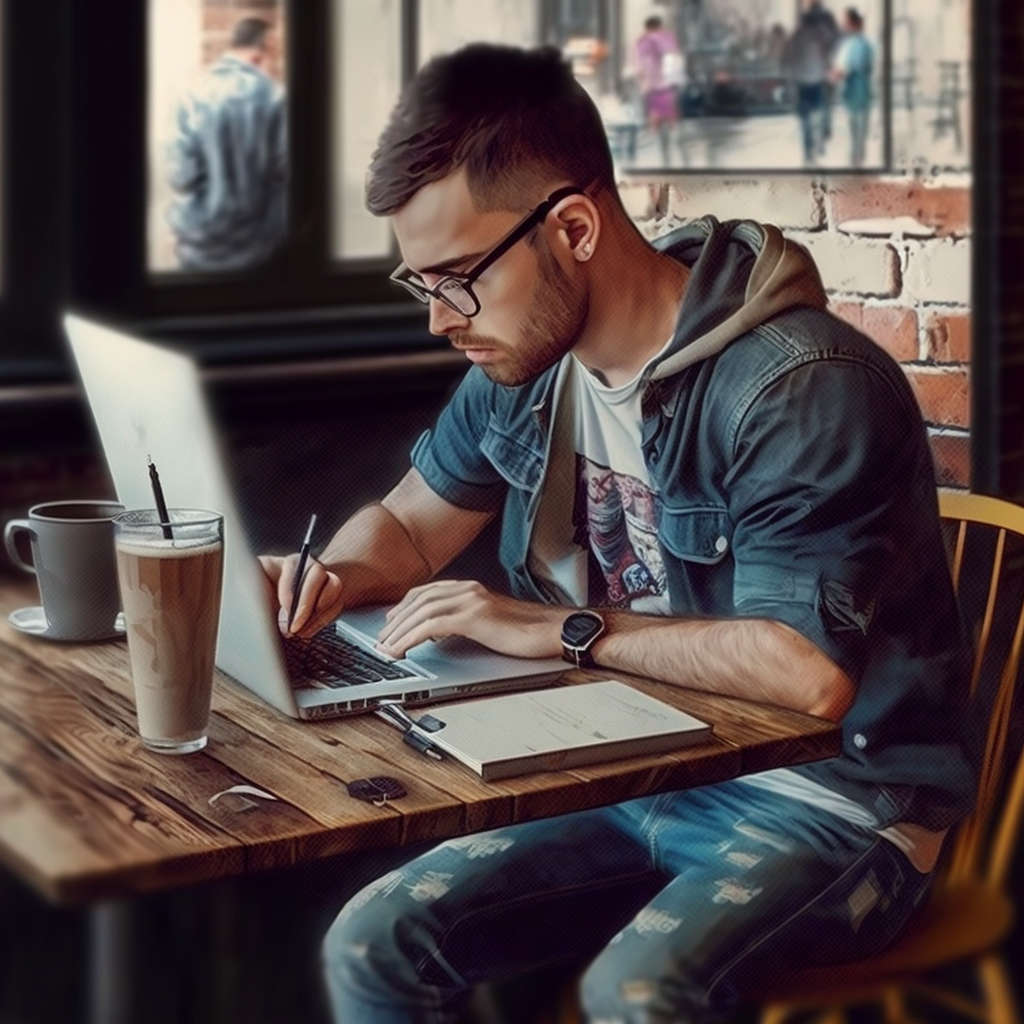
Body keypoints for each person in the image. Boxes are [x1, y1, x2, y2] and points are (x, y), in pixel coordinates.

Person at [258, 44, 978, 1023]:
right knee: (373, 937)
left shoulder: (800, 386)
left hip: (834, 804)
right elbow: (406, 523)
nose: (436, 318)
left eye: (457, 277)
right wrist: (330, 578)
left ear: (575, 226)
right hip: (627, 766)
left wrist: (560, 628)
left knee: (633, 996)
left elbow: (808, 674)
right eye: (418, 281)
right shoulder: (527, 365)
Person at [167, 17, 288, 271]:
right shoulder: (275, 96)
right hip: (261, 247)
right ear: (265, 44)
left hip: (199, 245)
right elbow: (285, 171)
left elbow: (180, 176)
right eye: (275, 49)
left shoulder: (190, 92)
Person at [634, 15, 685, 166]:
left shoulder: (643, 41)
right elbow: (675, 56)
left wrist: (643, 80)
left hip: (653, 85)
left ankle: (661, 156)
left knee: (655, 118)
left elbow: (641, 64)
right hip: (668, 84)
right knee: (671, 119)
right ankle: (676, 154)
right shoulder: (668, 38)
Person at [832, 7, 875, 167]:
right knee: (857, 133)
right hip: (857, 92)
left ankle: (857, 163)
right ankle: (857, 161)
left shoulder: (858, 44)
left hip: (858, 92)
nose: (844, 25)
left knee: (857, 132)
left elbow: (851, 67)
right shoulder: (857, 43)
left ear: (852, 24)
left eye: (846, 22)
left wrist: (837, 74)